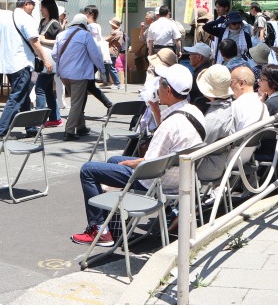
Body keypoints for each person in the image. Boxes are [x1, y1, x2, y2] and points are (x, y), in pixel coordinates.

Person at [71, 64, 206, 246]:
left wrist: (129, 164)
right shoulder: (194, 112)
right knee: (112, 160)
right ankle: (114, 225)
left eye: (161, 83)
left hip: (155, 182)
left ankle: (99, 229)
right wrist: (156, 110)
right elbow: (167, 146)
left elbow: (148, 164)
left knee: (88, 170)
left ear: (168, 89)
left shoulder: (170, 125)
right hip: (179, 177)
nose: (157, 86)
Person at [0, 0, 50, 140]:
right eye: (33, 4)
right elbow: (35, 42)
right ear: (26, 4)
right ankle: (0, 130)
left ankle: (30, 127)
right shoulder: (26, 19)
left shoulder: (6, 18)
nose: (34, 7)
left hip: (9, 63)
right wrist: (46, 60)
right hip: (21, 62)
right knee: (16, 97)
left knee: (23, 95)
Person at [53, 14, 104, 140]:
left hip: (64, 74)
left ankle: (81, 127)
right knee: (76, 103)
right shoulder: (86, 35)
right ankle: (69, 131)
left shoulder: (61, 35)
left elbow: (54, 54)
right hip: (79, 74)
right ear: (84, 24)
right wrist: (102, 70)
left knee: (77, 100)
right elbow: (95, 55)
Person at [194, 64, 235, 184]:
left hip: (208, 167)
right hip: (220, 162)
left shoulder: (214, 118)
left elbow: (199, 147)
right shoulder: (231, 106)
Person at [35, 0, 63, 128]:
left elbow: (60, 41)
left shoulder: (55, 24)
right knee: (47, 90)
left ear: (49, 8)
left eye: (43, 8)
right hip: (43, 59)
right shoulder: (42, 22)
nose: (41, 10)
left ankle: (38, 118)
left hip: (50, 60)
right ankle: (55, 118)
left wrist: (44, 40)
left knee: (40, 88)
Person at [83, 5, 114, 110]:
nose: (84, 15)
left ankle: (79, 112)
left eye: (85, 13)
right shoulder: (95, 26)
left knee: (85, 86)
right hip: (93, 59)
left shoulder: (91, 27)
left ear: (91, 14)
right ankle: (109, 105)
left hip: (91, 59)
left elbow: (93, 42)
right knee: (89, 86)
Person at [230, 66, 267, 131]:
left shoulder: (235, 106)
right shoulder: (263, 102)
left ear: (241, 83)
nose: (230, 87)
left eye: (231, 82)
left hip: (243, 140)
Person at [181, 42, 212, 113]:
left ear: (199, 57)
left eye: (191, 54)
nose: (189, 57)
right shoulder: (210, 71)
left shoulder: (197, 76)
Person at [101, 17, 124, 89]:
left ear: (114, 25)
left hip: (111, 51)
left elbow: (107, 40)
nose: (110, 25)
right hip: (114, 52)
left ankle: (117, 83)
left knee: (111, 67)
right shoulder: (120, 32)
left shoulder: (115, 32)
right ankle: (106, 82)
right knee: (107, 66)